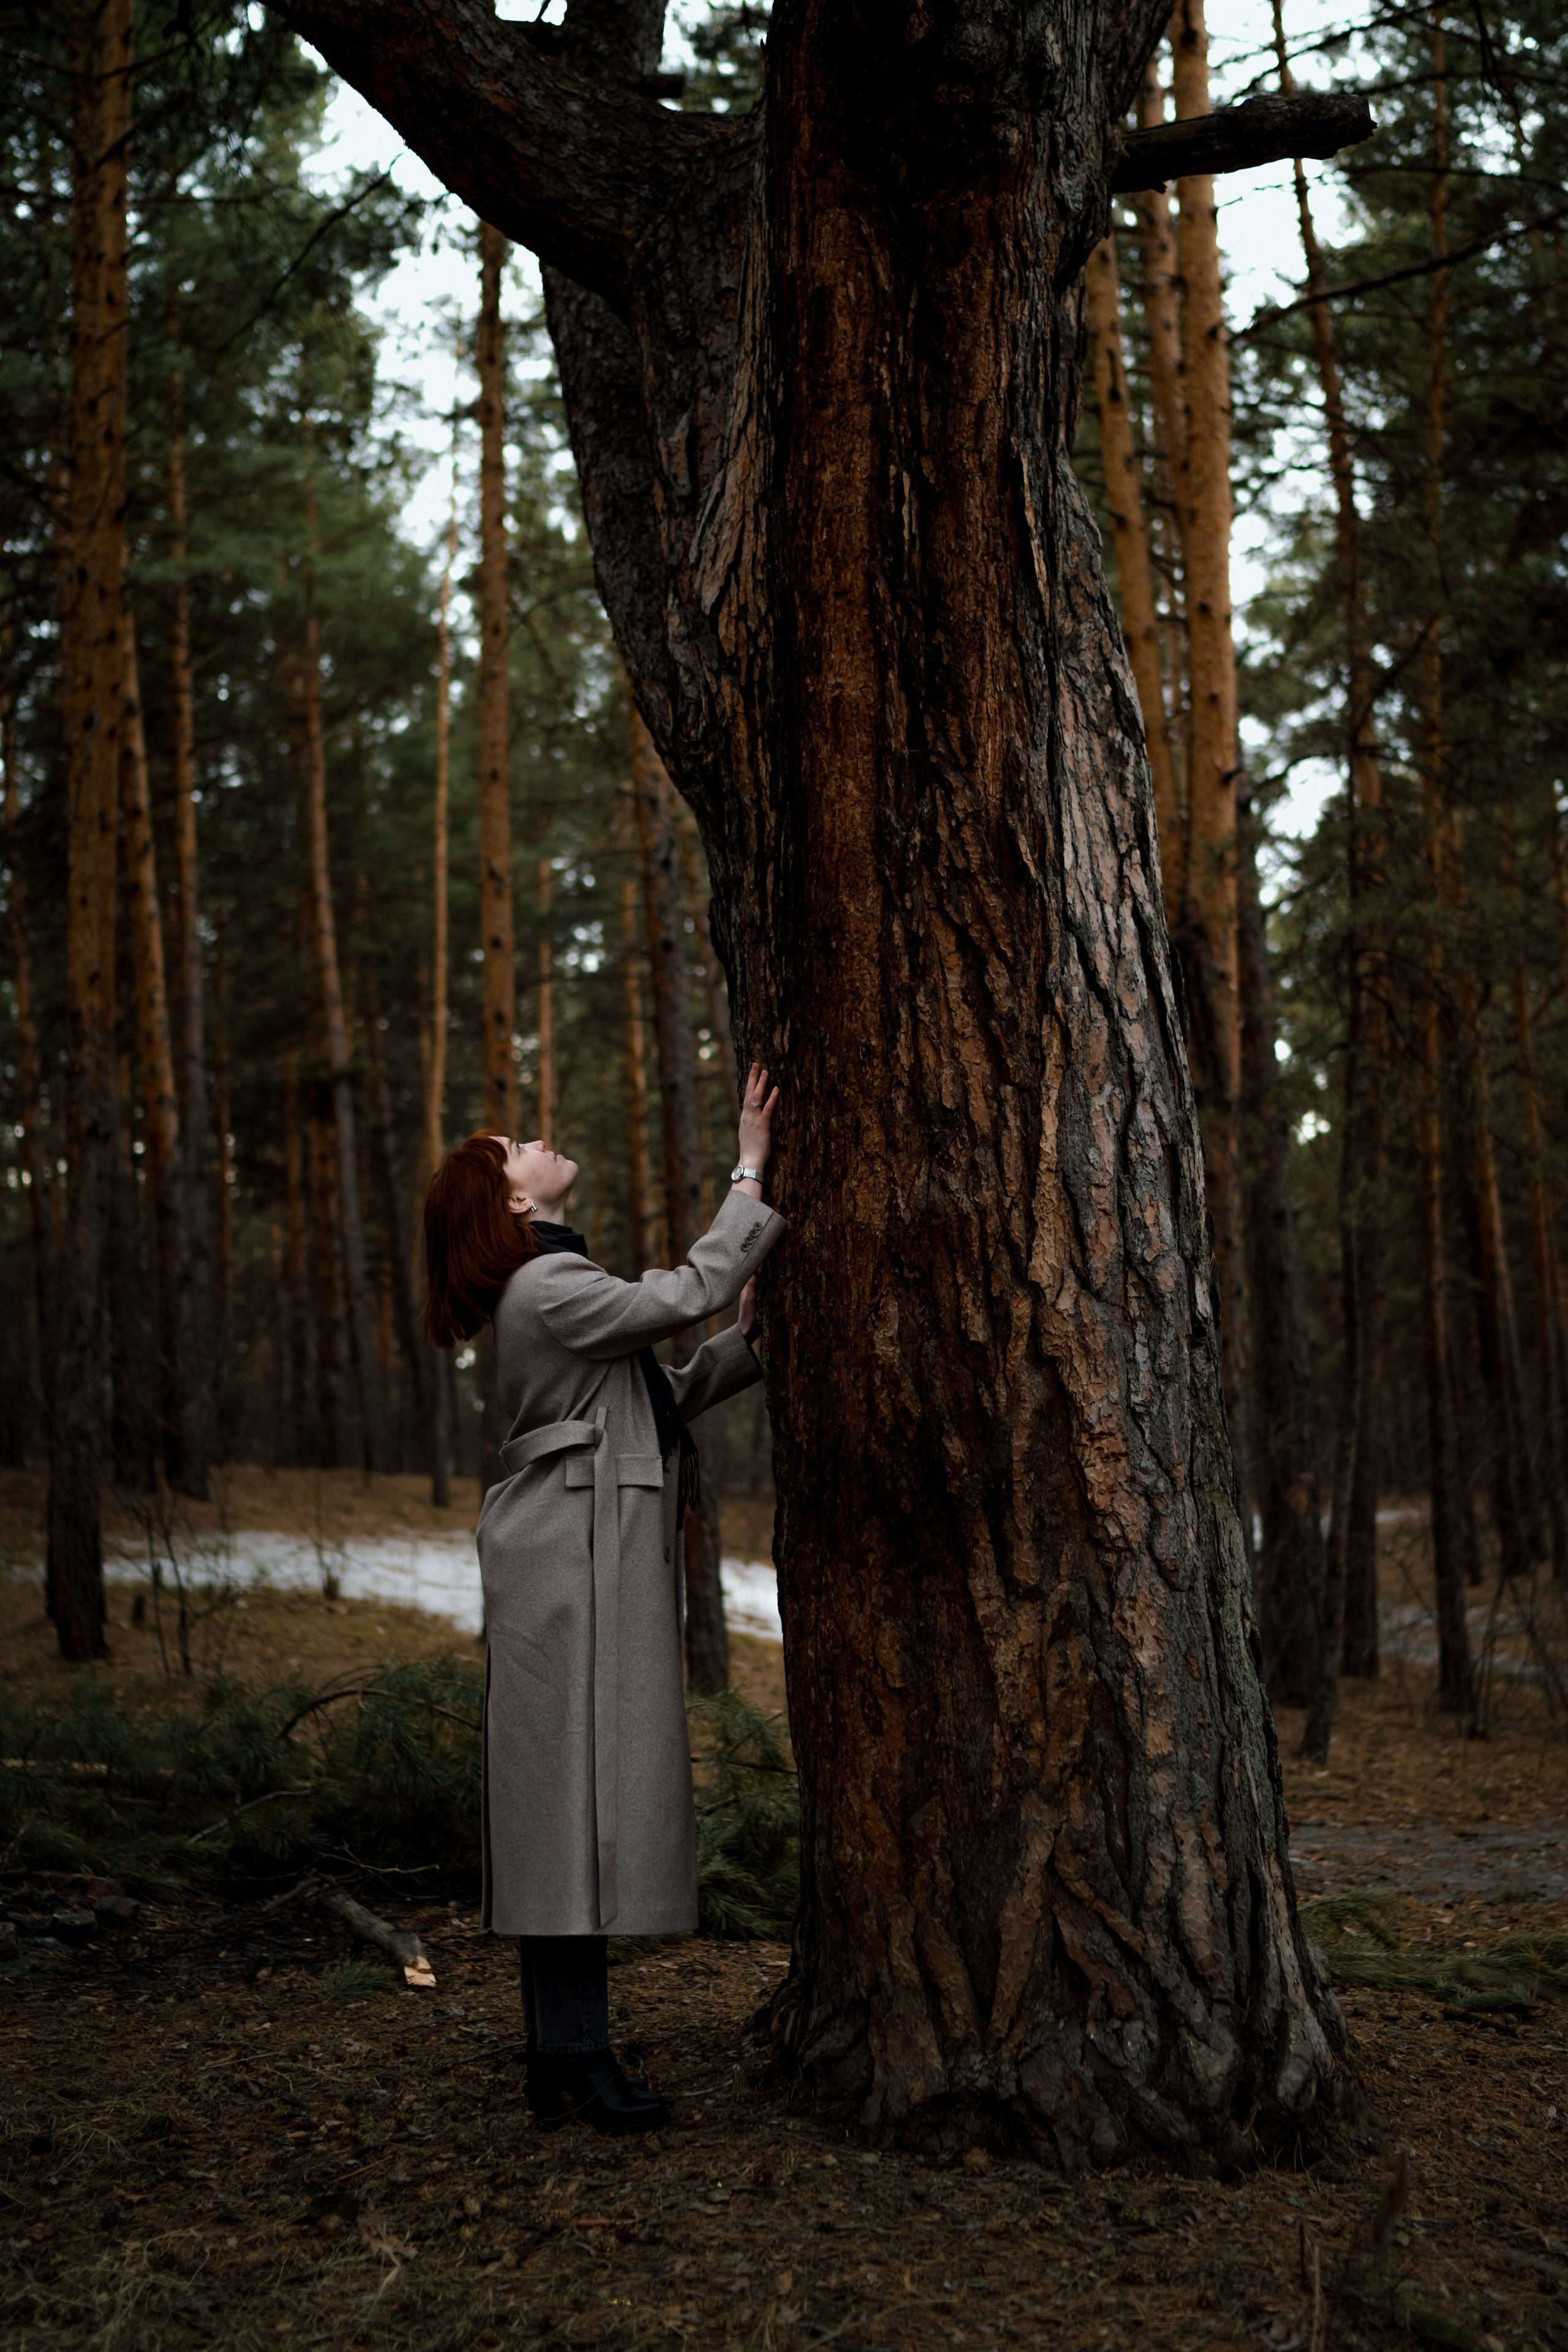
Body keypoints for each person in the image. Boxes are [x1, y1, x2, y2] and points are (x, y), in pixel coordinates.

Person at [422, 1065, 783, 2135]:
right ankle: (576, 2060)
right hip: (567, 1556)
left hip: (571, 1548)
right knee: (565, 1817)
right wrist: (750, 1165)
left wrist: (749, 1347)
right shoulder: (547, 1286)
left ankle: (559, 2059)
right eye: (514, 1148)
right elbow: (681, 1292)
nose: (536, 1138)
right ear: (516, 1204)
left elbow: (656, 1397)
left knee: (563, 1816)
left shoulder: (552, 1286)